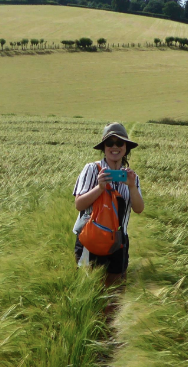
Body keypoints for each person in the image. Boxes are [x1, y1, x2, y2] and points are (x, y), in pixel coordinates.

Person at [73, 122, 144, 287]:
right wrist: (100, 188)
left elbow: (139, 209)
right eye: (110, 143)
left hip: (118, 242)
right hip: (90, 239)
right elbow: (79, 204)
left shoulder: (132, 177)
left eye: (119, 143)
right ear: (103, 147)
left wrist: (132, 186)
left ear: (126, 147)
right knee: (87, 288)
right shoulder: (92, 169)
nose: (115, 147)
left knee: (115, 294)